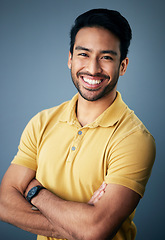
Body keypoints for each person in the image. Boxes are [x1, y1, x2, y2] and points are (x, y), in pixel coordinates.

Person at [0, 8, 156, 240]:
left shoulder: (134, 139)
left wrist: (35, 192)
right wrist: (76, 226)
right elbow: (4, 204)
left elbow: (95, 231)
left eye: (106, 57)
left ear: (122, 66)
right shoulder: (42, 122)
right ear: (70, 59)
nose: (93, 69)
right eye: (84, 54)